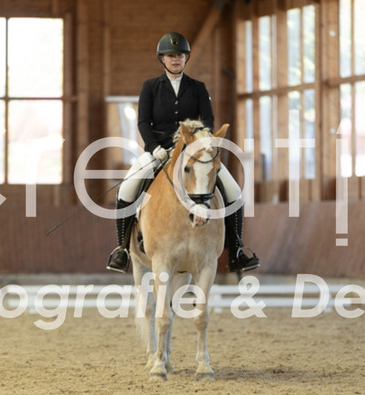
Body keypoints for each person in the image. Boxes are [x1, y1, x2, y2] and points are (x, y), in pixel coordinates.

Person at [106, 32, 259, 274]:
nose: (175, 59)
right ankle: (122, 249)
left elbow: (208, 119)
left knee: (233, 191)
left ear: (186, 58)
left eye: (179, 55)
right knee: (126, 188)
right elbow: (143, 122)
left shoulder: (198, 88)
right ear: (162, 59)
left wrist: (200, 142)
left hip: (194, 153)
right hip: (159, 151)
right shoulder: (150, 87)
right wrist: (154, 148)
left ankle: (237, 250)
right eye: (170, 56)